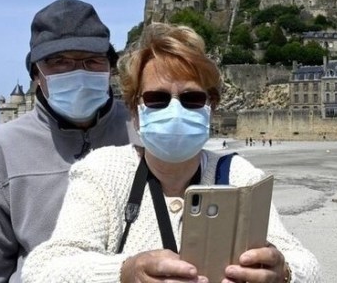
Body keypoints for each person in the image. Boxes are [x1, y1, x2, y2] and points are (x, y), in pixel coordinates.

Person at [22, 23, 320, 283]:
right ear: (134, 111)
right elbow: (44, 269)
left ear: (210, 107)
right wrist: (125, 273)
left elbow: (307, 264)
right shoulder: (103, 173)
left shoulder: (241, 176)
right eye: (157, 98)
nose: (174, 109)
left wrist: (283, 272)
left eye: (191, 98)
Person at [0, 0, 132, 282]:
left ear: (111, 67)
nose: (78, 72)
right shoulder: (0, 150)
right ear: (36, 73)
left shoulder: (142, 131)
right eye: (59, 62)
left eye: (92, 60)